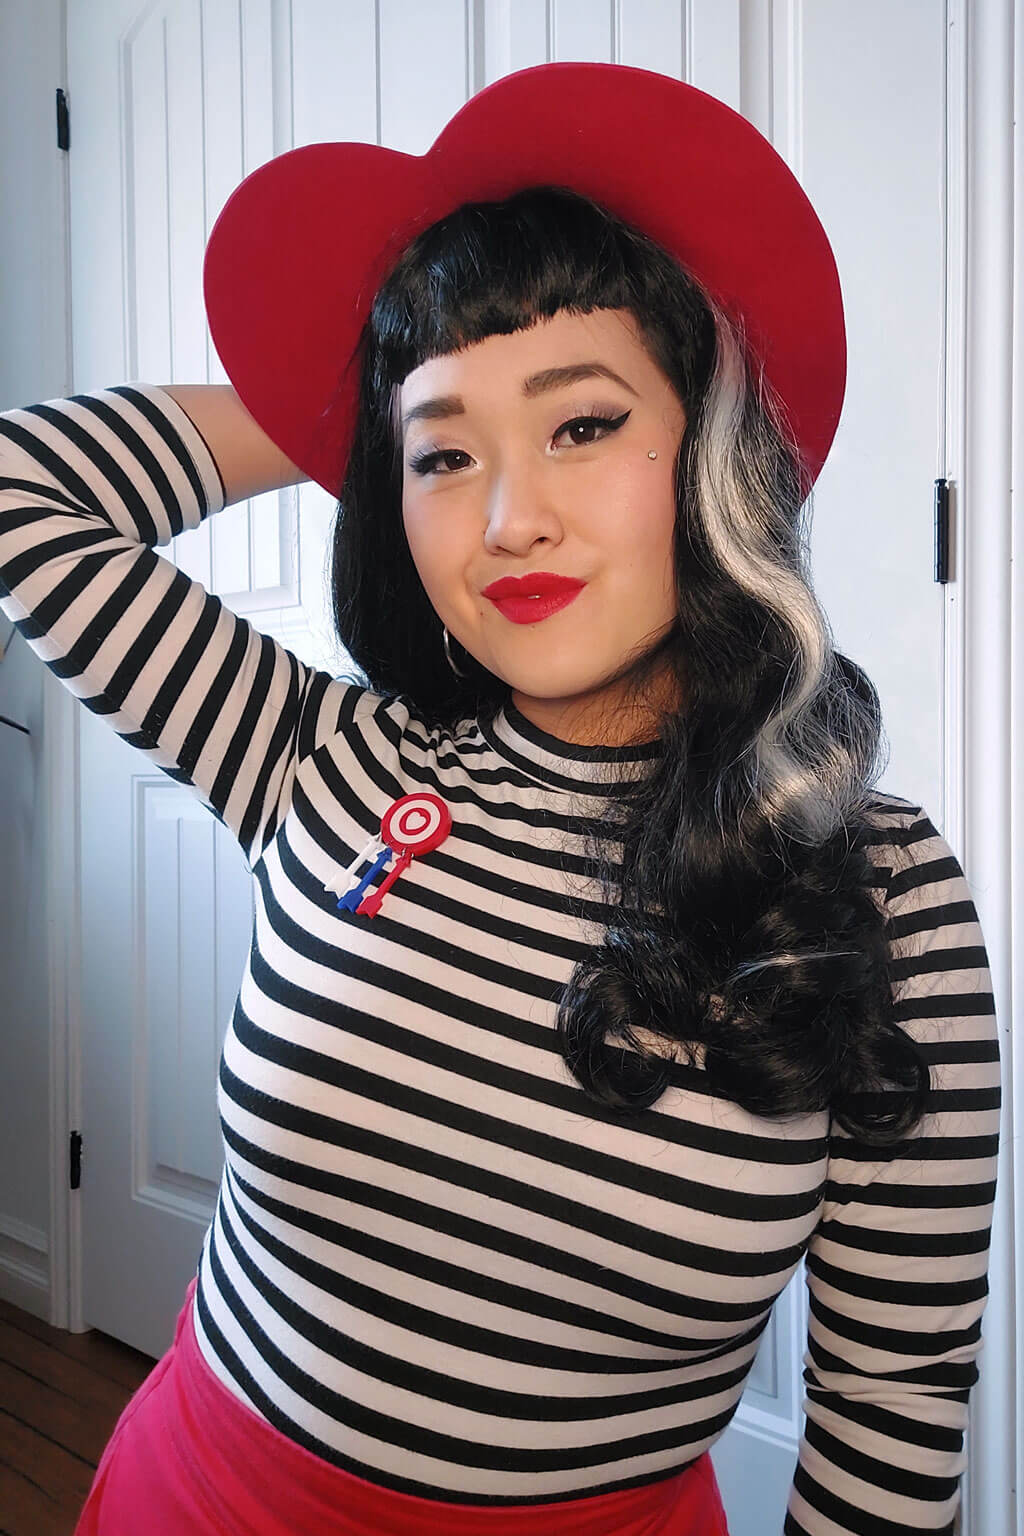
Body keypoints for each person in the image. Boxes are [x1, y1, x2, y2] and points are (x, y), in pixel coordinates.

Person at [0, 60, 999, 1536]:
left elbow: (895, 1392)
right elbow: (23, 495)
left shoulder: (884, 892)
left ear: (713, 446)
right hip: (195, 1496)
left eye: (580, 425)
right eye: (445, 454)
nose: (506, 517)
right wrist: (358, 396)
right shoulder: (324, 759)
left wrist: (444, 385)